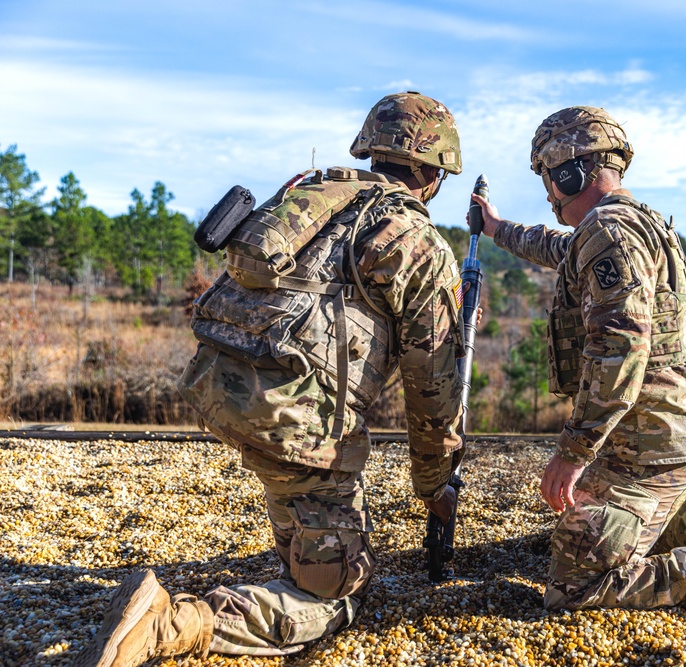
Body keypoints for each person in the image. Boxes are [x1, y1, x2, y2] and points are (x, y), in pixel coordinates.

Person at [75, 91, 467, 667]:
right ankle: (171, 626)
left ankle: (302, 537)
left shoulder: (309, 198)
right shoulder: (416, 241)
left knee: (302, 506)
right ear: (433, 173)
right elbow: (432, 386)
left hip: (221, 386)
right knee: (335, 594)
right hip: (294, 423)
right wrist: (435, 484)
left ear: (370, 149)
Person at [470, 106, 686, 629]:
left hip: (649, 447)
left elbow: (619, 348)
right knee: (583, 529)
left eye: (548, 177)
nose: (547, 193)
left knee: (572, 582)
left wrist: (572, 452)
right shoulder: (629, 222)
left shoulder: (607, 230)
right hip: (666, 431)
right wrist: (497, 229)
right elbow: (559, 249)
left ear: (570, 172)